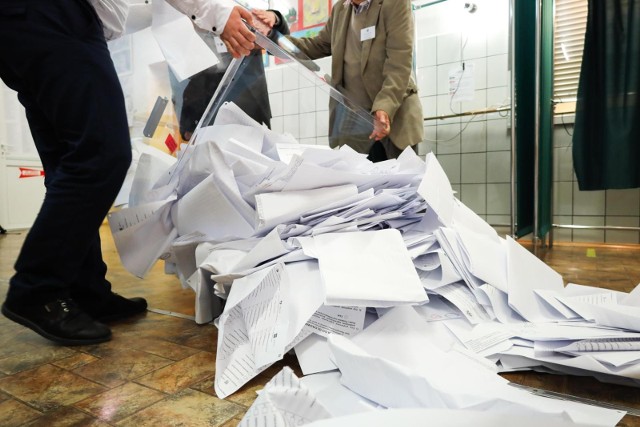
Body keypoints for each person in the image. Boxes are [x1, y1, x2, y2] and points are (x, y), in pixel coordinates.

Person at [0, 0, 255, 346]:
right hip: (57, 16)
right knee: (102, 155)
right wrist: (216, 13)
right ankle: (37, 288)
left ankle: (85, 289)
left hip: (23, 24)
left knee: (69, 163)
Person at [256, 0, 423, 162]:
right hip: (356, 125)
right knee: (361, 186)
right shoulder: (340, 10)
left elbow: (399, 63)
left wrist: (384, 107)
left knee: (402, 186)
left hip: (394, 119)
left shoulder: (395, 3)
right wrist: (271, 36)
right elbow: (315, 45)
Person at [177, 9, 290, 141]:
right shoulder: (194, 21)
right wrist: (188, 125)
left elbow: (282, 47)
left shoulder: (241, 13)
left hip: (249, 110)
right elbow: (190, 79)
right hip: (210, 117)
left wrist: (274, 18)